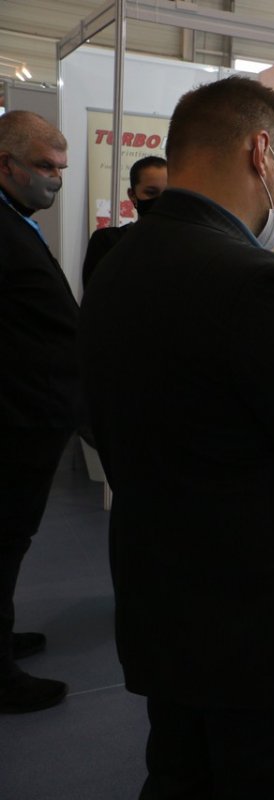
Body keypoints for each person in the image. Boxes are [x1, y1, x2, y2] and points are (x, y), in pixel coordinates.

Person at [78, 77, 274, 799]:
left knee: (179, 773)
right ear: (261, 153)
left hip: (160, 594)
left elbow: (95, 415)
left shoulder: (116, 261)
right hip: (263, 624)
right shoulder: (260, 284)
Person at [0, 111, 76, 714]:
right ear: (7, 165)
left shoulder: (16, 221)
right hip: (13, 419)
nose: (55, 179)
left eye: (61, 168)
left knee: (13, 538)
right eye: (45, 167)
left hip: (30, 412)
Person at [80, 155, 167, 288]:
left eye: (168, 194)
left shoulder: (186, 244)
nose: (161, 200)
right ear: (132, 195)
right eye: (151, 192)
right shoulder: (107, 241)